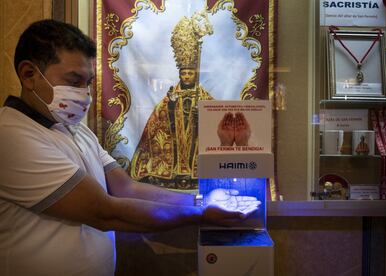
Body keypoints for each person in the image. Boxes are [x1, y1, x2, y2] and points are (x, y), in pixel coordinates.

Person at [0, 19, 260, 276]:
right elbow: (105, 212)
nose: (84, 94)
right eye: (74, 81)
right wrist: (200, 215)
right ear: (29, 75)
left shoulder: (75, 128)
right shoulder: (11, 136)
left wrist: (200, 200)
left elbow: (126, 188)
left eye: (88, 82)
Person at [130, 12, 213, 191]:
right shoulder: (170, 96)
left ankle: (194, 173)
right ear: (179, 74)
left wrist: (204, 113)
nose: (187, 76)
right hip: (176, 144)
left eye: (190, 73)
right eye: (184, 73)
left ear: (196, 74)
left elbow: (216, 119)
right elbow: (157, 122)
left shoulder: (204, 97)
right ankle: (174, 171)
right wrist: (171, 106)